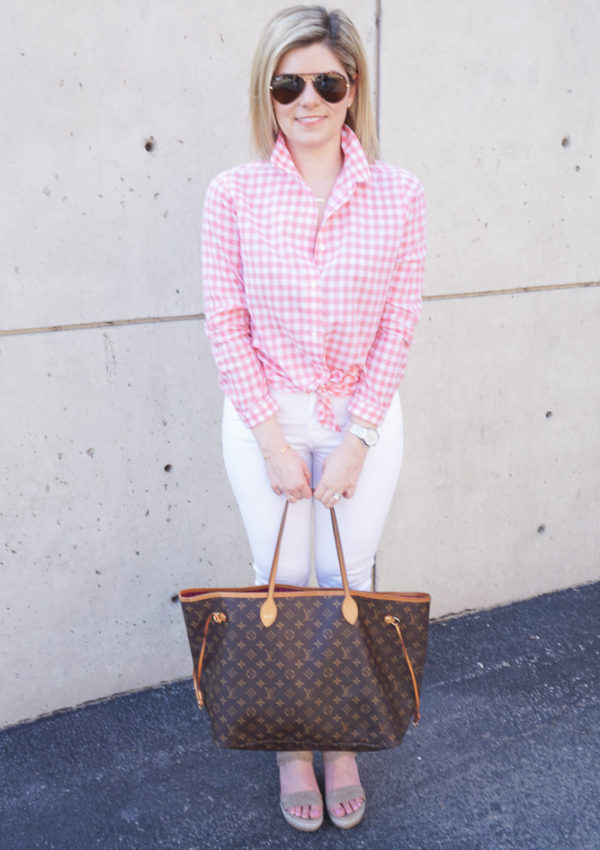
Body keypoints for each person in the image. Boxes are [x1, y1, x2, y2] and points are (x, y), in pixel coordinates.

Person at [201, 4, 426, 833]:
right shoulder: (234, 195)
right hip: (265, 416)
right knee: (284, 579)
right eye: (288, 82)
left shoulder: (400, 195)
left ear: (352, 87)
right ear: (267, 91)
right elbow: (226, 323)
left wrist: (358, 441)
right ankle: (290, 746)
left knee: (350, 580)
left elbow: (399, 324)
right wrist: (272, 441)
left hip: (364, 421)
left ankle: (342, 742)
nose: (308, 99)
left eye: (326, 81)